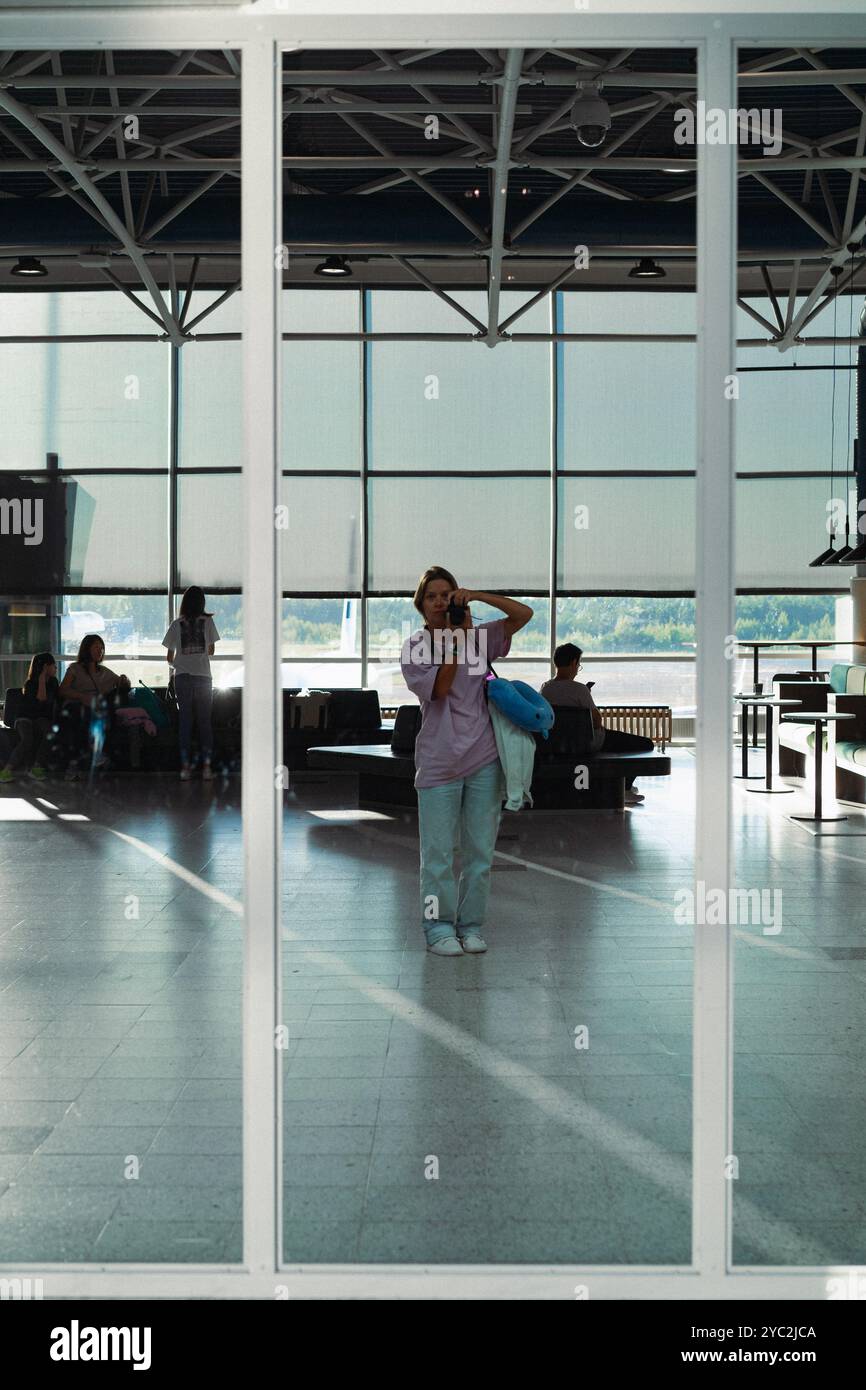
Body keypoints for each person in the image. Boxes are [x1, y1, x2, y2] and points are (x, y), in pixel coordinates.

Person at [401, 566, 533, 956]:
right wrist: (456, 644)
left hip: (484, 758)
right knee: (438, 855)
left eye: (449, 594)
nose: (441, 601)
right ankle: (437, 928)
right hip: (439, 761)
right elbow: (439, 691)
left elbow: (523, 615)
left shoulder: (482, 637)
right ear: (421, 606)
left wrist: (478, 597)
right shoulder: (416, 647)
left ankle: (472, 925)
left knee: (480, 853)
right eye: (433, 596)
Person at [540, 642, 653, 804]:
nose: (578, 668)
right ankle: (625, 788)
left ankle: (625, 788)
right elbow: (597, 721)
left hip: (560, 744)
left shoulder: (545, 688)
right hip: (589, 742)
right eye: (578, 664)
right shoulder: (580, 689)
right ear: (573, 663)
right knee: (644, 744)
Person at [162, 586, 220, 781]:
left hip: (182, 677)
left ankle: (185, 768)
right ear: (202, 602)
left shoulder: (177, 624)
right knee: (205, 723)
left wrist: (179, 663)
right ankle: (206, 767)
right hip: (203, 677)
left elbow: (169, 656)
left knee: (185, 723)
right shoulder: (208, 622)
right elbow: (211, 651)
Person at [58, 634, 130, 780]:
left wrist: (124, 680)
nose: (100, 650)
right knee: (82, 716)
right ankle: (79, 762)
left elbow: (121, 683)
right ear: (87, 649)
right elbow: (62, 690)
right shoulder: (75, 669)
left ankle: (97, 754)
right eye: (96, 647)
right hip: (78, 707)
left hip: (96, 708)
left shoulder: (104, 672)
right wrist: (83, 697)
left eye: (102, 648)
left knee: (107, 707)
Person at [0, 652, 59, 783]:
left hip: (40, 718)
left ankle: (36, 767)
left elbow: (51, 702)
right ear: (44, 667)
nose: (56, 668)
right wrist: (42, 678)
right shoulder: (31, 683)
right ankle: (7, 770)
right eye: (53, 665)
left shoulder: (54, 682)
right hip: (24, 717)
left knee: (50, 733)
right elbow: (41, 698)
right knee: (27, 739)